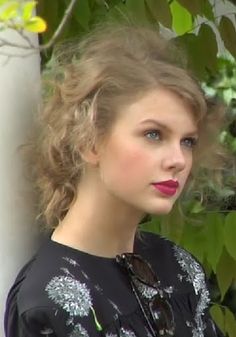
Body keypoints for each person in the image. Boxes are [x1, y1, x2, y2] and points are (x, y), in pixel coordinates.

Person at [4, 23, 226, 337]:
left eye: (187, 141)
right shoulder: (49, 301)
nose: (178, 160)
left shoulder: (178, 267)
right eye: (154, 134)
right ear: (89, 140)